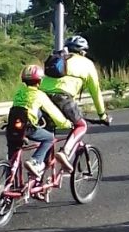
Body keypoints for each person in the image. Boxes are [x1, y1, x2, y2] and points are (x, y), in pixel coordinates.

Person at [40, 35, 109, 171]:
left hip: (41, 97)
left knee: (48, 135)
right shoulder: (87, 64)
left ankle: (38, 179)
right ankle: (64, 152)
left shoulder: (59, 59)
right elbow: (95, 92)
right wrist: (102, 115)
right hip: (62, 98)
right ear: (83, 52)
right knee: (81, 125)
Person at [8, 65, 72, 178]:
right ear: (40, 81)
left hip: (12, 127)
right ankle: (35, 161)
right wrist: (66, 124)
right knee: (49, 138)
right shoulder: (39, 95)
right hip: (28, 128)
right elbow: (54, 113)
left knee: (13, 156)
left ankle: (10, 182)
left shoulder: (19, 92)